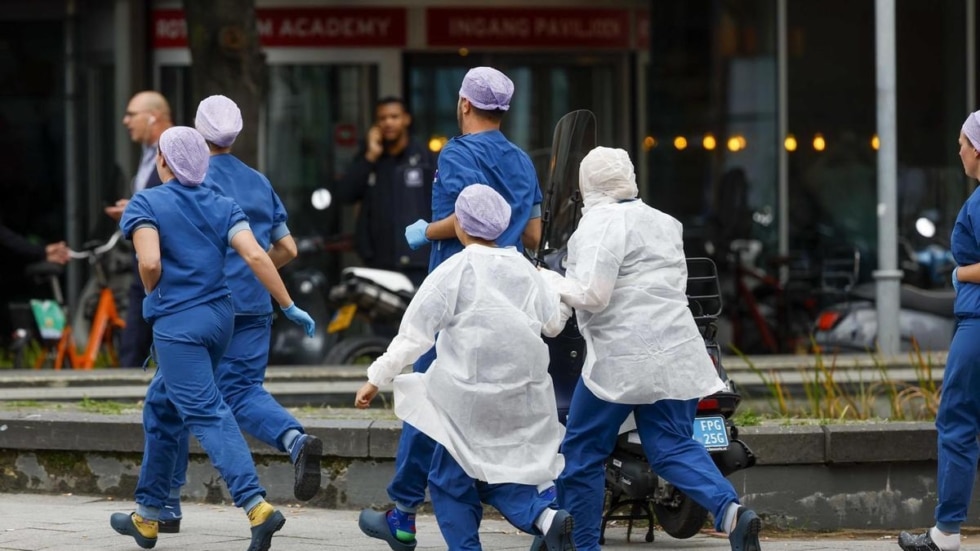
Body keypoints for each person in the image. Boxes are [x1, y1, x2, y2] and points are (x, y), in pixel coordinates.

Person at [537, 147, 763, 551]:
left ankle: (582, 545)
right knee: (673, 445)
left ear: (587, 184)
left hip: (621, 359)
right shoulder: (665, 222)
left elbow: (592, 294)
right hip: (677, 350)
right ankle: (732, 513)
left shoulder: (597, 224)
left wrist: (547, 281)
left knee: (582, 451)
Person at [357, 66, 543, 550]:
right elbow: (534, 235)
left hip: (460, 296)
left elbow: (465, 220)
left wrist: (425, 230)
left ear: (463, 103)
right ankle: (537, 512)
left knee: (427, 399)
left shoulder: (458, 152)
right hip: (511, 296)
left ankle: (403, 511)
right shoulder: (522, 160)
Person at [109, 126, 316, 551]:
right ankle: (149, 514)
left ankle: (257, 507)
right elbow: (258, 254)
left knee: (207, 412)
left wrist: (156, 295)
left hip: (179, 324)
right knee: (163, 405)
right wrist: (288, 304)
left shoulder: (146, 202)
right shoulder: (223, 203)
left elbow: (149, 261)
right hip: (221, 318)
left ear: (163, 161)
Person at [355, 184, 574, 551]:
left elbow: (414, 334)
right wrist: (558, 290)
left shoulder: (452, 270)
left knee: (448, 480)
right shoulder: (524, 270)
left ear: (460, 223)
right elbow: (553, 324)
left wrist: (376, 377)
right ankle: (547, 518)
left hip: (465, 399)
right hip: (523, 398)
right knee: (504, 480)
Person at [155, 95, 323, 534]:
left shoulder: (190, 178)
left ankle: (165, 504)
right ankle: (293, 439)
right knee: (243, 390)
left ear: (196, 127)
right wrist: (262, 279)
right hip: (254, 303)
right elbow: (286, 249)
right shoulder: (258, 181)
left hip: (200, 307)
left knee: (171, 398)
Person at [897, 110, 980, 551]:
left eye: (964, 143)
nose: (960, 151)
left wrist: (961, 275)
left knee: (957, 422)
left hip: (978, 326)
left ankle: (946, 533)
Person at [334, 96, 436, 288]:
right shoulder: (369, 158)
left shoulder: (425, 159)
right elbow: (345, 194)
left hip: (418, 263)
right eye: (382, 118)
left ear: (406, 119)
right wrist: (370, 156)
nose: (388, 122)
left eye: (394, 116)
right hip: (379, 262)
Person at [105, 90, 173, 368]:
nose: (125, 121)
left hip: (165, 261)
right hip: (145, 259)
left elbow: (180, 200)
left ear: (153, 116)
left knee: (145, 338)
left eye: (132, 114)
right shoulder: (148, 154)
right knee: (135, 339)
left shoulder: (175, 150)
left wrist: (135, 211)